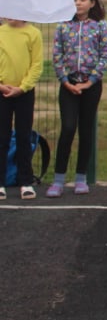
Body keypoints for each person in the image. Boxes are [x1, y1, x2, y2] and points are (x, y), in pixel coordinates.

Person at [47, 0, 107, 198]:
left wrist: (90, 81)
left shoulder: (100, 26)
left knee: (86, 130)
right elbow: (57, 54)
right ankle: (58, 179)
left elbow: (106, 56)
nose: (78, 3)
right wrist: (65, 80)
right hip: (68, 85)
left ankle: (81, 177)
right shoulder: (63, 25)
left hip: (90, 86)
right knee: (67, 128)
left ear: (92, 3)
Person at [0, 17, 43, 201]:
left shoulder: (33, 33)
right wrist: (2, 86)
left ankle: (25, 181)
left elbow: (36, 65)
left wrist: (23, 87)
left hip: (24, 93)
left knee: (23, 136)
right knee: (2, 136)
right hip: (2, 91)